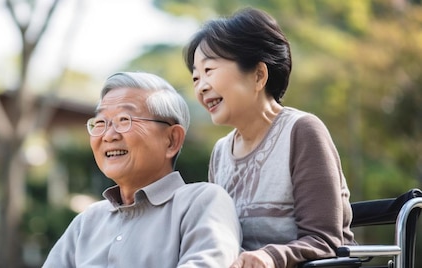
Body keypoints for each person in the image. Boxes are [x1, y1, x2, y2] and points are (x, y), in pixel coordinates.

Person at [183, 7, 355, 268]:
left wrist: (270, 257)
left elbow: (325, 240)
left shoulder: (302, 131)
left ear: (258, 75)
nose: (201, 86)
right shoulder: (220, 153)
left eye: (209, 70)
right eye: (196, 77)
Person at [42, 71, 241, 267]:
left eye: (124, 120)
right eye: (100, 123)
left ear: (172, 140)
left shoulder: (202, 202)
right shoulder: (87, 221)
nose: (109, 135)